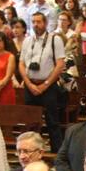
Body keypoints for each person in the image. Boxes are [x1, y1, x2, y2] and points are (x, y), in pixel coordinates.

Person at [18, 12, 66, 150]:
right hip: (30, 85)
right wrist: (28, 83)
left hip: (48, 85)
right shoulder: (27, 40)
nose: (35, 25)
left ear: (45, 23)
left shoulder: (54, 40)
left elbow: (60, 64)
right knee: (30, 121)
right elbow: (21, 64)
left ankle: (57, 153)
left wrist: (45, 84)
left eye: (38, 22)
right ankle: (30, 149)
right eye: (33, 22)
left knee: (52, 121)